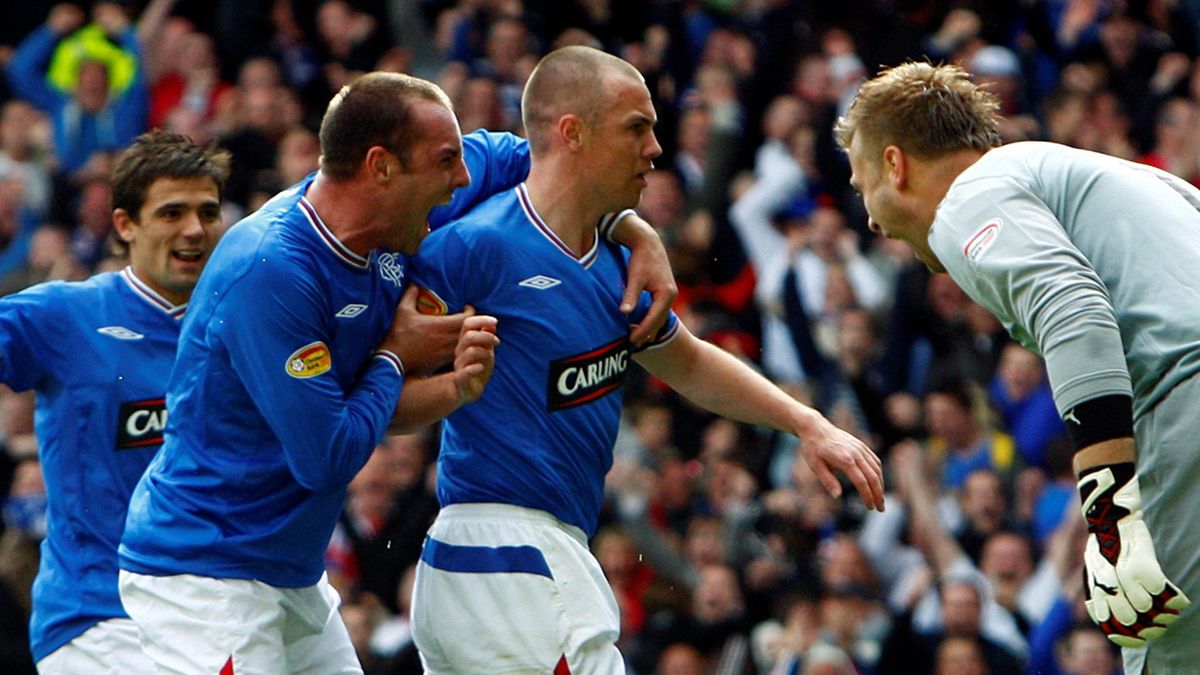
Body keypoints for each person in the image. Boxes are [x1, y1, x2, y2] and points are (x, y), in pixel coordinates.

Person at [117, 71, 677, 673]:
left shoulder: (399, 203)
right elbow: (327, 455)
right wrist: (394, 356)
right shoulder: (272, 273)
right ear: (381, 168)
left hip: (290, 574)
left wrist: (630, 228)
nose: (462, 178)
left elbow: (556, 166)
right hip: (207, 578)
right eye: (445, 163)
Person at [406, 46, 885, 674]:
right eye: (637, 127)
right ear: (572, 133)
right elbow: (384, 383)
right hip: (504, 552)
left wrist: (808, 423)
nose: (655, 148)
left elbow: (686, 361)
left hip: (524, 558)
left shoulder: (615, 260)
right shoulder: (475, 247)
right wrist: (451, 392)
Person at [836, 61, 1199, 673]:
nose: (871, 218)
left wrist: (1110, 510)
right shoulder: (1111, 176)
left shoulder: (969, 198)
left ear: (894, 165)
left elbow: (1075, 314)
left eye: (861, 183)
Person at [0, 129, 228, 671]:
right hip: (99, 617)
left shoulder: (241, 326)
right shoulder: (64, 315)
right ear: (125, 224)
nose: (194, 230)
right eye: (172, 213)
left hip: (214, 611)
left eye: (208, 212)